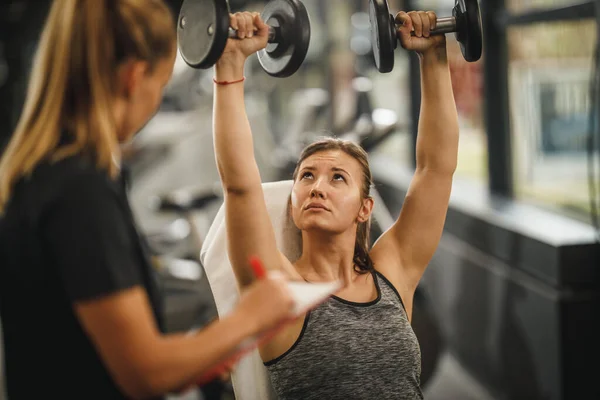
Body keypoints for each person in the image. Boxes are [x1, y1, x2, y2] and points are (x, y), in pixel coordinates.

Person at [0, 1, 296, 399]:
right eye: (158, 85)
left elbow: (84, 354)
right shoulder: (79, 192)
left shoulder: (40, 173)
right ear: (134, 77)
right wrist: (250, 317)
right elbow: (145, 372)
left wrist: (200, 353)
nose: (155, 103)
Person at [212, 9, 459, 399]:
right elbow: (240, 185)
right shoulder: (279, 290)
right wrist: (229, 67)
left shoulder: (393, 274)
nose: (317, 187)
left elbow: (436, 169)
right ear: (293, 202)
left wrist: (433, 56)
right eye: (306, 176)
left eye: (337, 178)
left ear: (365, 208)